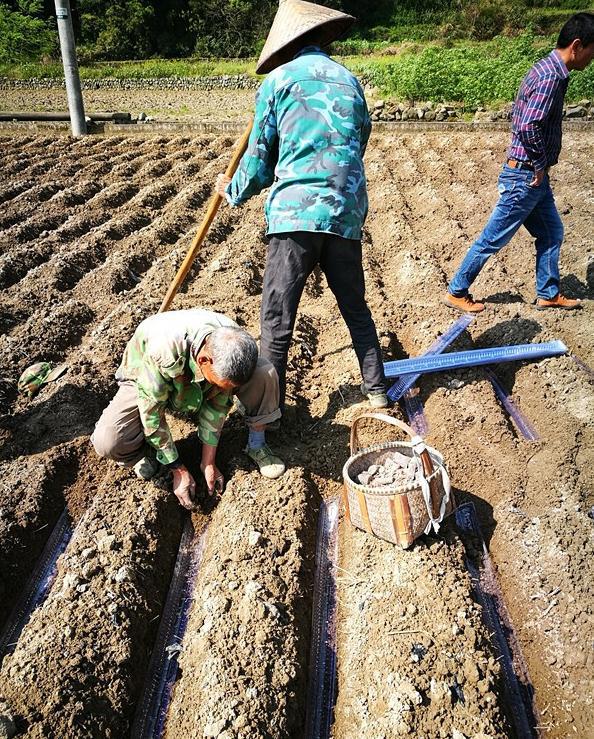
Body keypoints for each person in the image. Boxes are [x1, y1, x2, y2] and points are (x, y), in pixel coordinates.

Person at [216, 0, 389, 410]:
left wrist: (231, 189)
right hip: (344, 214)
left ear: (288, 45)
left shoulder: (279, 81)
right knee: (355, 308)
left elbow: (259, 160)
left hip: (295, 215)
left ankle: (267, 412)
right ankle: (377, 389)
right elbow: (356, 143)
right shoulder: (350, 81)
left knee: (277, 321)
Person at [444, 12, 594, 313]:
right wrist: (539, 164)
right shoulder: (551, 77)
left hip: (531, 176)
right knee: (492, 238)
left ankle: (548, 293)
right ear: (577, 46)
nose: (592, 60)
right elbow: (528, 125)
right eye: (593, 52)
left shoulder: (547, 68)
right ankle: (457, 291)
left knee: (552, 232)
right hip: (525, 176)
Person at [91, 309, 285, 510]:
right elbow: (152, 415)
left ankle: (257, 443)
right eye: (220, 385)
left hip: (197, 373)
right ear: (203, 361)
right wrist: (177, 469)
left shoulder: (236, 346)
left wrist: (208, 463)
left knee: (265, 372)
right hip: (145, 373)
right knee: (108, 440)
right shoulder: (162, 353)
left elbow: (218, 405)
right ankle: (141, 454)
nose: (221, 391)